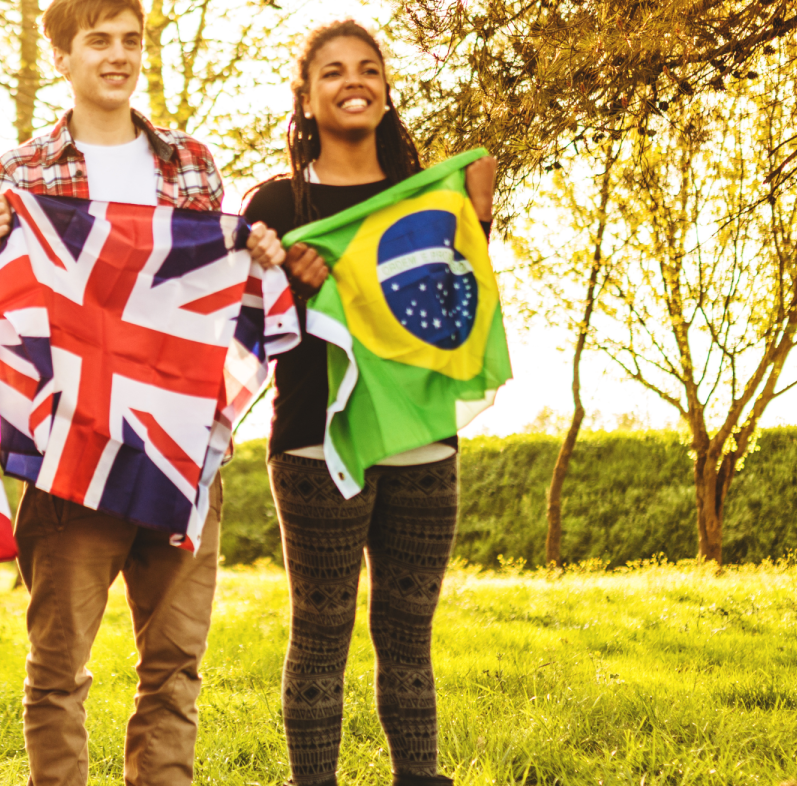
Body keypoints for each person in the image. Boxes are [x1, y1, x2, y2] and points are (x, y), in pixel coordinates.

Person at [0, 1, 282, 784]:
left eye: (130, 41)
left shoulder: (193, 165)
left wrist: (257, 254)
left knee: (175, 669)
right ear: (64, 57)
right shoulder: (21, 174)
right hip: (72, 456)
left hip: (179, 456)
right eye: (98, 41)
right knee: (58, 672)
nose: (117, 56)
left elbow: (216, 298)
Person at [240, 19, 495, 786]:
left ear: (386, 91)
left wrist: (479, 221)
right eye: (333, 72)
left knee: (409, 634)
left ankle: (419, 778)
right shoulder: (276, 203)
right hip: (318, 443)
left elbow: (459, 313)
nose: (354, 81)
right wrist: (282, 277)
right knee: (321, 630)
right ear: (307, 97)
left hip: (422, 434)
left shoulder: (427, 196)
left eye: (369, 69)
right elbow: (247, 330)